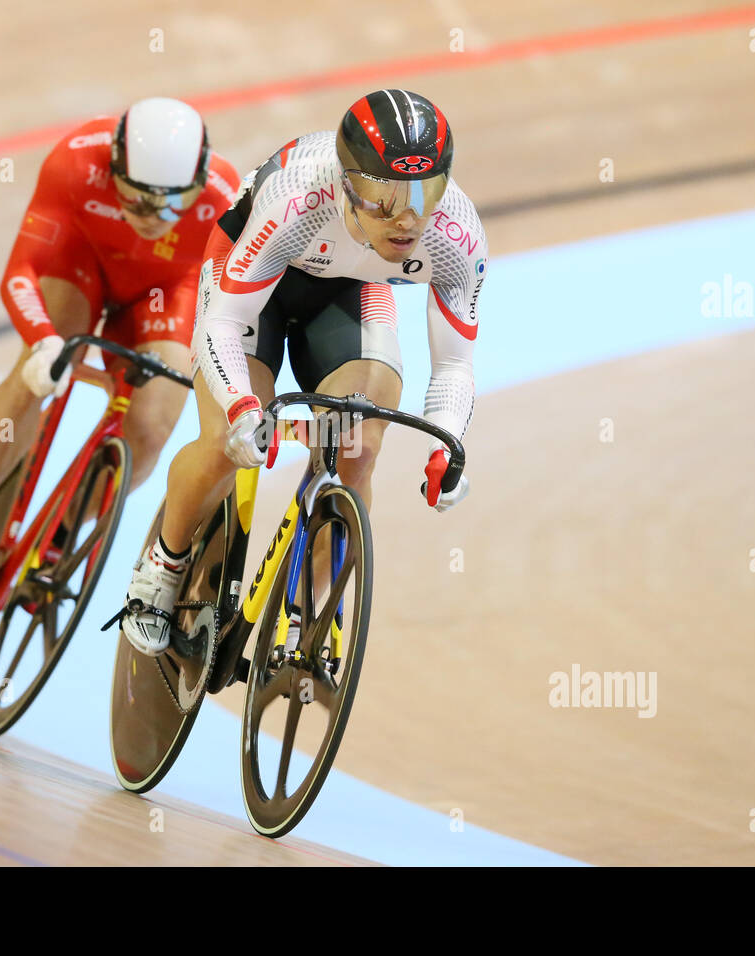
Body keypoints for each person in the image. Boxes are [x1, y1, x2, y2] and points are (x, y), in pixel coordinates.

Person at [118, 89, 484, 656]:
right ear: (346, 183)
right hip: (251, 282)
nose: (407, 217)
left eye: (425, 191)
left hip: (349, 291)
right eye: (382, 197)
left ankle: (307, 614)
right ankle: (163, 564)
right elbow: (225, 322)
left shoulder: (456, 233)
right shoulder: (298, 199)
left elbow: (455, 363)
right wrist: (242, 407)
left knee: (358, 443)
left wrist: (449, 446)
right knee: (227, 442)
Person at [0, 97, 241, 595]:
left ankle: (63, 534)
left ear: (200, 183)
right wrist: (44, 343)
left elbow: (232, 305)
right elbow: (20, 272)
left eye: (173, 202)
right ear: (112, 169)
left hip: (166, 291)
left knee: (153, 425)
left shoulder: (226, 199)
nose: (154, 216)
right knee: (39, 369)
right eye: (135, 198)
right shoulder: (74, 161)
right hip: (83, 264)